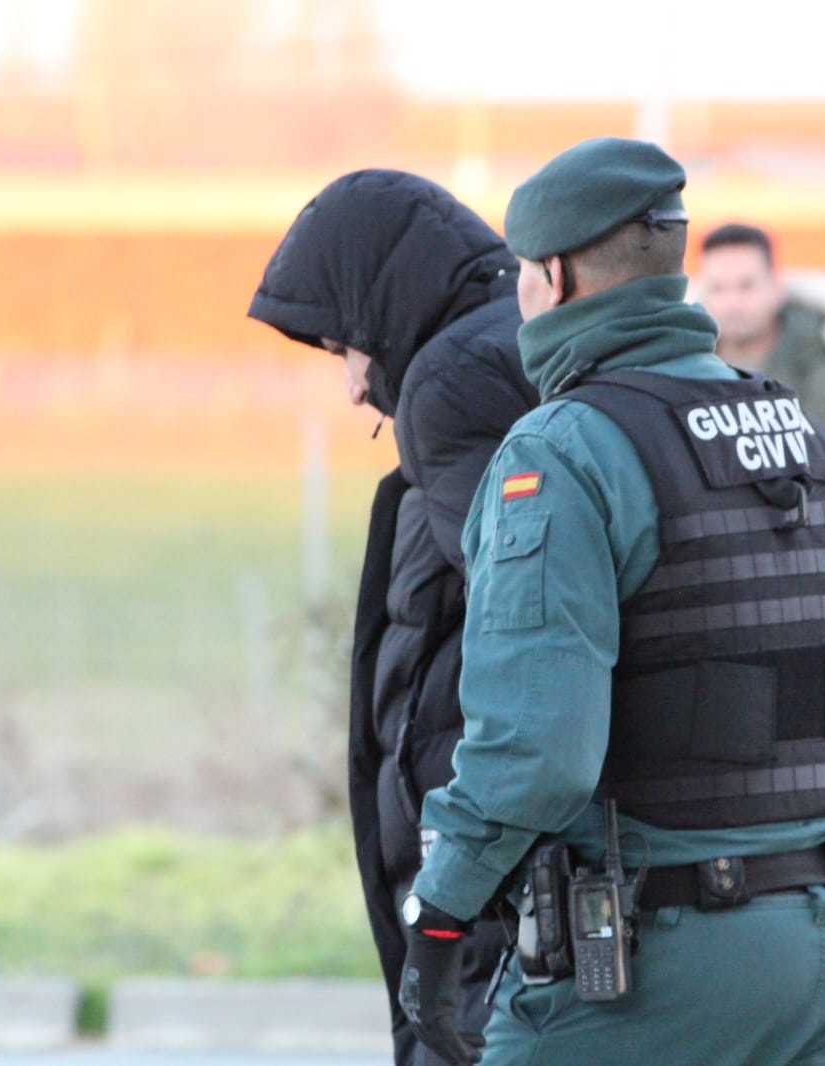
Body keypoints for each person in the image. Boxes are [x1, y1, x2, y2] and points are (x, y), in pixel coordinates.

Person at [395, 137, 825, 1066]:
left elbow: (536, 750)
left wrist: (441, 909)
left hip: (661, 963)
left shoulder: (563, 449)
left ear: (550, 274)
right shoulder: (797, 431)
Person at [247, 170, 537, 1066]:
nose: (349, 386)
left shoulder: (461, 387)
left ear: (385, 311)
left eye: (344, 346)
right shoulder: (489, 368)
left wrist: (455, 903)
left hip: (490, 906)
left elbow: (524, 648)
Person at [697, 223, 825, 456]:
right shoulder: (688, 371)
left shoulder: (821, 366)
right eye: (718, 288)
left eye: (746, 286)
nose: (732, 303)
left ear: (776, 288)